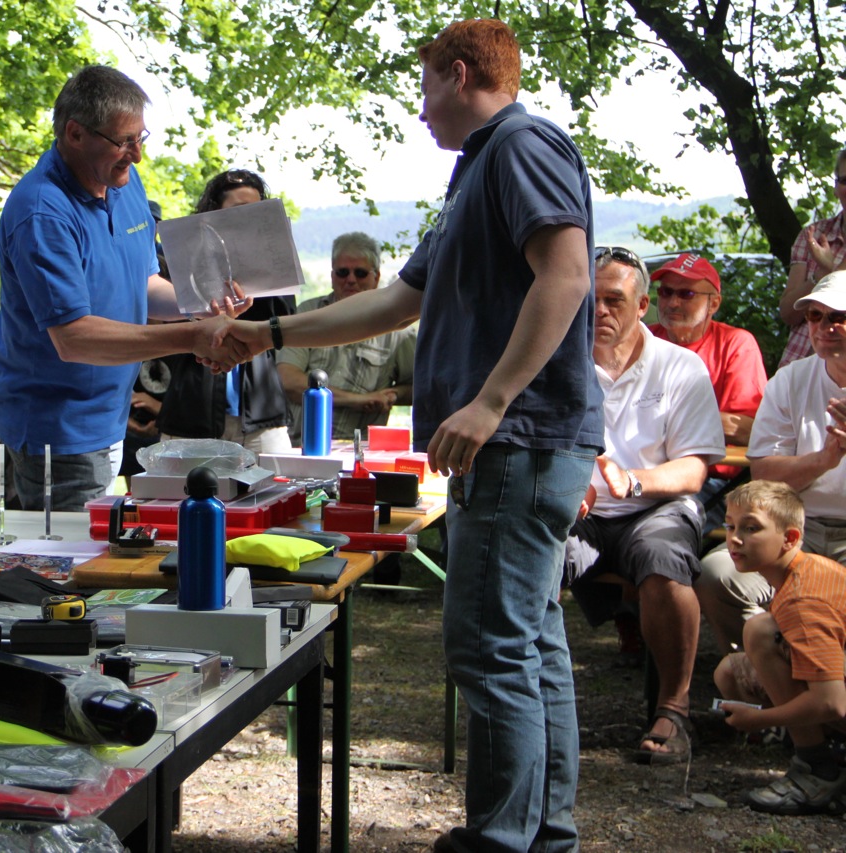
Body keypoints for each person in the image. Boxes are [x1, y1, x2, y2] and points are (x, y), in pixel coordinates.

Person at [216, 20, 604, 852]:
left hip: (520, 442)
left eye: (425, 87)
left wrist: (491, 400)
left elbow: (568, 275)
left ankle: (501, 840)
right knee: (529, 644)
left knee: (491, 647)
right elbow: (396, 300)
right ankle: (542, 835)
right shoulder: (476, 173)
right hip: (517, 445)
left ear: (459, 74)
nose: (421, 110)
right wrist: (270, 335)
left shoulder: (522, 145)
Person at [0, 65, 250, 511]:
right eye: (124, 141)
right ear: (75, 133)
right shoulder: (41, 212)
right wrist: (192, 337)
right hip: (59, 432)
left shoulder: (121, 182)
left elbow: (143, 286)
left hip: (112, 418)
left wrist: (204, 304)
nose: (137, 155)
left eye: (140, 138)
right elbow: (74, 338)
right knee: (75, 553)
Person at [562, 246, 725, 765]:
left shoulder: (680, 367)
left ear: (641, 306)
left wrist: (631, 481)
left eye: (613, 300)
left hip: (656, 504)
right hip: (581, 508)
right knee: (532, 557)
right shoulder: (557, 361)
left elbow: (694, 469)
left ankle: (674, 710)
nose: (599, 311)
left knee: (664, 559)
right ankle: (533, 706)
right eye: (590, 299)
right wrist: (571, 487)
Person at [697, 271, 846, 652]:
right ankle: (771, 664)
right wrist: (826, 459)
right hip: (796, 530)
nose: (824, 327)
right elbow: (765, 476)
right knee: (717, 574)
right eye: (815, 316)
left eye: (838, 317)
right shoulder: (790, 380)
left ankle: (812, 671)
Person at [712, 481, 846, 815]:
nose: (735, 539)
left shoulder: (804, 597)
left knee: (760, 631)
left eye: (751, 528)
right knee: (730, 673)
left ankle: (817, 770)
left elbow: (832, 702)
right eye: (730, 526)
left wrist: (759, 720)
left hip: (835, 696)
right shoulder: (797, 574)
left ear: (790, 538)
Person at [157, 169, 294, 453]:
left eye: (256, 211)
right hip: (191, 415)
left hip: (262, 414)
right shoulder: (186, 259)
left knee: (276, 482)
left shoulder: (272, 257)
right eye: (239, 211)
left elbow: (285, 323)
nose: (248, 220)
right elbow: (167, 325)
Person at [648, 251, 767, 524]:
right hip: (640, 471)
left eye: (686, 294)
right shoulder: (643, 339)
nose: (672, 302)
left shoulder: (736, 344)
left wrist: (659, 413)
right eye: (665, 292)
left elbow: (749, 430)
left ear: (714, 303)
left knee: (657, 526)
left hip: (709, 481)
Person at [277, 231, 416, 444]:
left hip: (361, 448)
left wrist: (393, 395)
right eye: (343, 272)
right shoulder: (308, 314)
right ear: (332, 276)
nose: (351, 280)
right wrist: (358, 400)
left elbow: (420, 388)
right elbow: (288, 380)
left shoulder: (399, 330)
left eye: (360, 273)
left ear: (376, 277)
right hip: (302, 444)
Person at [776, 147, 846, 368]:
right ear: (835, 188)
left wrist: (833, 271)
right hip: (796, 368)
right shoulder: (814, 234)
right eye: (845, 180)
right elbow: (788, 313)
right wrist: (821, 275)